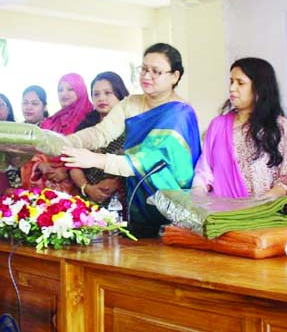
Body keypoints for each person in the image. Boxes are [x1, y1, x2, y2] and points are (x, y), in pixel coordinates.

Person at [61, 43, 201, 238]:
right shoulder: (131, 103)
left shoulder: (179, 114)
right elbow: (100, 133)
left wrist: (93, 160)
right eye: (143, 69)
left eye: (156, 71)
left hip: (172, 207)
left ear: (175, 76)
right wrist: (63, 142)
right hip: (138, 202)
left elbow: (144, 163)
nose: (146, 76)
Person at [192, 57, 287, 198]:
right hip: (225, 215)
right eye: (231, 82)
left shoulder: (279, 127)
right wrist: (198, 193)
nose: (232, 88)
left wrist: (267, 200)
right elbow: (204, 171)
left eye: (240, 83)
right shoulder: (218, 126)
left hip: (267, 214)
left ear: (259, 88)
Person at [21, 73, 92, 194]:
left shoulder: (92, 119)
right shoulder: (51, 121)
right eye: (60, 90)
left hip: (78, 188)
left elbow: (93, 153)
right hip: (45, 187)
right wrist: (40, 165)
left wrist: (66, 170)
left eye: (70, 89)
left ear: (80, 91)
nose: (64, 93)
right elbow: (34, 152)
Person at [70, 72, 130, 205]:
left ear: (120, 95)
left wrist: (117, 182)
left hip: (122, 198)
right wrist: (87, 188)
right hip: (87, 197)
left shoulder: (131, 127)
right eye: (96, 94)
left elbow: (135, 163)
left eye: (108, 93)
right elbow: (73, 164)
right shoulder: (86, 126)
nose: (101, 98)